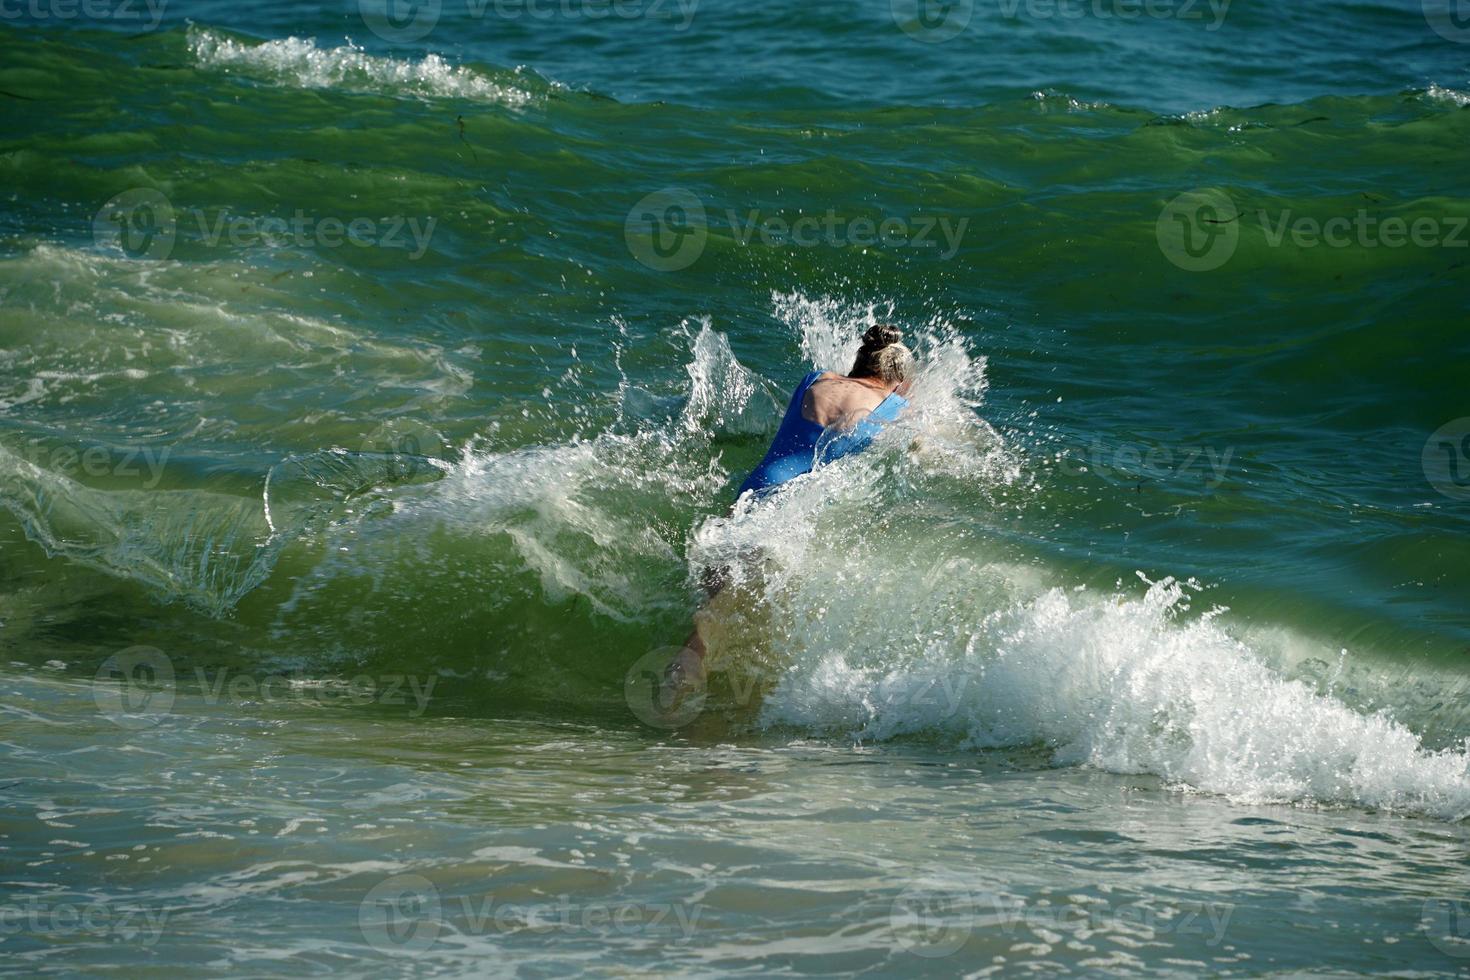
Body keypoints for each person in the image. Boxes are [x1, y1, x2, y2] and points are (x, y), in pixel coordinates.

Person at [659, 324, 916, 706]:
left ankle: (680, 703)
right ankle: (684, 700)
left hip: (751, 494)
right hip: (787, 512)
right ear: (897, 382)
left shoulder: (815, 380)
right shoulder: (894, 408)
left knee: (714, 604)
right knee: (728, 621)